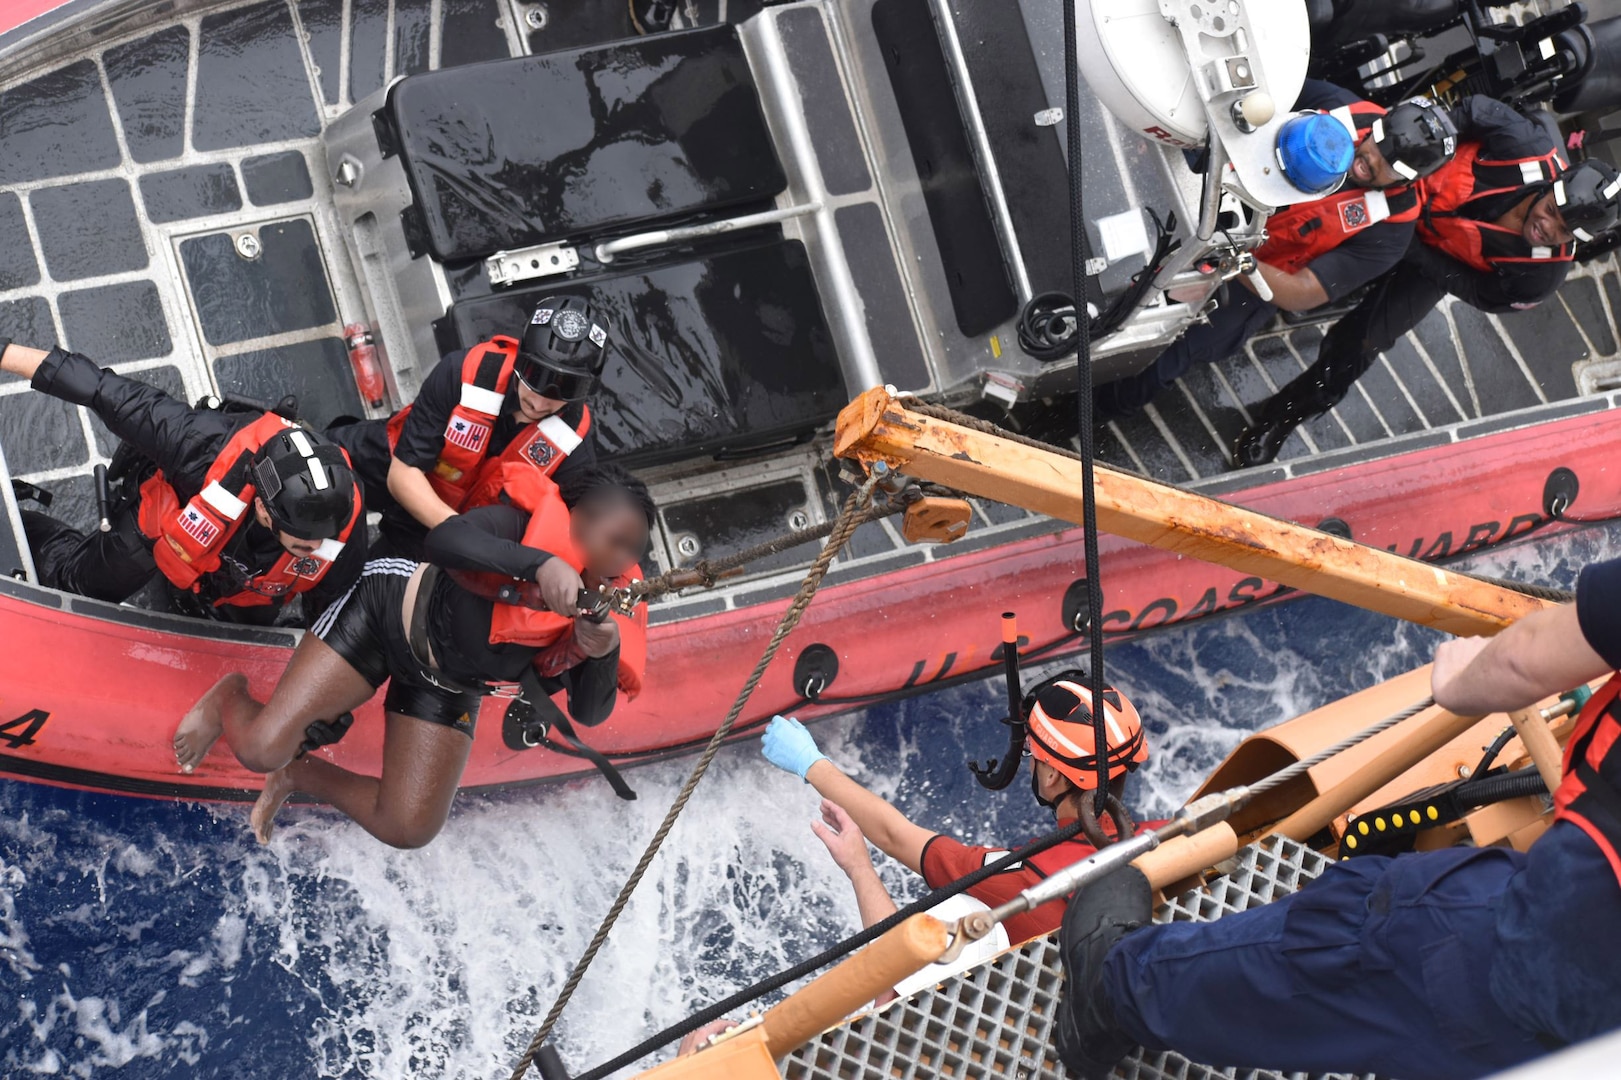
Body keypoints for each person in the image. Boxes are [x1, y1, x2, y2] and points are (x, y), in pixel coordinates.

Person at [1055, 558, 1621, 1080]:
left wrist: (1462, 678)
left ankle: (1114, 990)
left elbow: (1523, 659)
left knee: (1371, 931)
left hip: (1563, 953)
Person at [171, 464, 655, 849]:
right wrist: (540, 564)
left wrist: (603, 651)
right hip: (385, 614)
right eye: (616, 541)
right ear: (579, 518)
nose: (622, 560)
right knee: (260, 748)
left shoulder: (604, 605)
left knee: (408, 827)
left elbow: (592, 713)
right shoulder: (517, 524)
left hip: (447, 686)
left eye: (633, 549)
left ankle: (298, 773)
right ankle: (229, 697)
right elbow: (444, 541)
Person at [1234, 95, 1621, 465]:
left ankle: (1282, 417)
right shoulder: (1521, 143)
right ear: (1553, 185)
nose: (1546, 227)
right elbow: (1469, 110)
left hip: (1434, 262)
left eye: (1563, 230)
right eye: (1552, 210)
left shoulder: (1539, 277)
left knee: (1362, 343)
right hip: (1399, 185)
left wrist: (1409, 249)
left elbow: (1481, 293)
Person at [1095, 83, 1458, 420]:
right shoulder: (1342, 107)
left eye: (1390, 166)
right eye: (1377, 144)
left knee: (1171, 354)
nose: (1372, 159)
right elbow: (1249, 100)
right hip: (1218, 188)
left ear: (1410, 179)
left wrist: (1234, 258)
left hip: (1253, 274)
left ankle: (1094, 407)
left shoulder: (1391, 231)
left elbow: (1303, 291)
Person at [760, 671, 1152, 944]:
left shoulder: (1022, 879)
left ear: (1052, 777)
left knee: (955, 910)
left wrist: (810, 763)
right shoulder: (1162, 839)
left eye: (1032, 751)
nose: (1029, 759)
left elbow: (896, 836)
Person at [0, 338, 366, 627]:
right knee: (75, 584)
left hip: (244, 588)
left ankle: (198, 606)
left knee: (239, 628)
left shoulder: (341, 516)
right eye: (304, 538)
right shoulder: (198, 443)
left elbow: (331, 604)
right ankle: (25, 527)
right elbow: (99, 389)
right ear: (263, 508)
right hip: (168, 526)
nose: (317, 545)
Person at [328, 294, 607, 558]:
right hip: (399, 463)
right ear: (521, 357)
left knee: (387, 594)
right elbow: (402, 475)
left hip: (448, 531)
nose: (541, 400)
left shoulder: (573, 445)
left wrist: (469, 544)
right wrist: (462, 534)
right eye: (536, 375)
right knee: (314, 470)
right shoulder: (464, 371)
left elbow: (579, 532)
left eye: (565, 387)